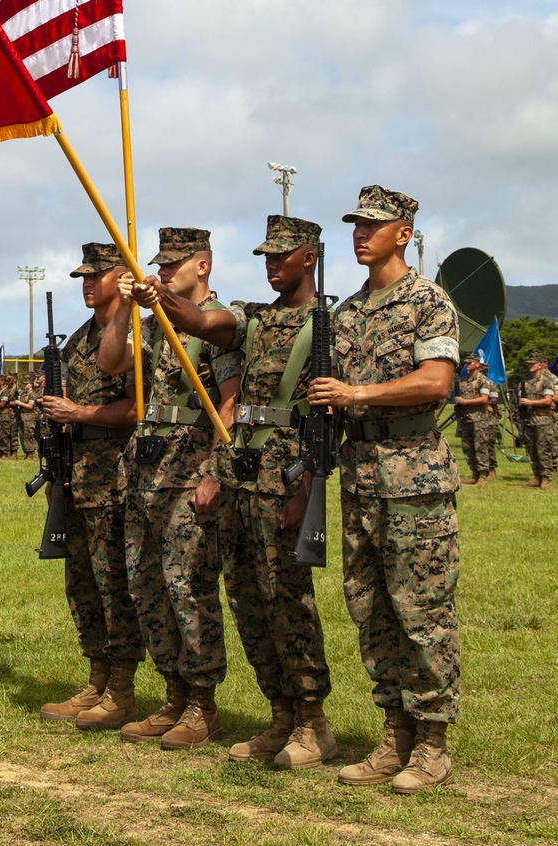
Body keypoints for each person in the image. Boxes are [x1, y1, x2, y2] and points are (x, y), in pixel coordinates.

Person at [140, 215, 337, 767]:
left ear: (310, 256)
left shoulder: (328, 325)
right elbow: (201, 320)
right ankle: (280, 716)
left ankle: (311, 721)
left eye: (282, 255)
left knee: (288, 601)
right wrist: (159, 295)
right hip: (240, 477)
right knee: (248, 601)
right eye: (265, 256)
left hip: (286, 480)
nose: (271, 264)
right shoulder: (253, 318)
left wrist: (308, 488)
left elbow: (327, 420)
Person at [308, 185, 460, 793]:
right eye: (355, 223)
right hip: (361, 476)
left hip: (414, 476)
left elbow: (436, 381)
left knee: (422, 610)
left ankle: (432, 745)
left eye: (374, 224)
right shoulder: (343, 314)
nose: (360, 232)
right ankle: (394, 733)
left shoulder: (429, 300)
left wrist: (357, 395)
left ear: (404, 233)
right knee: (369, 609)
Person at [99, 227, 240, 751]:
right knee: (147, 586)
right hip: (146, 473)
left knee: (188, 589)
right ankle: (173, 694)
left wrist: (213, 471)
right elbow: (111, 362)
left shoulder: (217, 326)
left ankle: (203, 704)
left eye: (174, 264)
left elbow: (230, 402)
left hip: (188, 475)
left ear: (201, 266)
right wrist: (123, 311)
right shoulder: (157, 324)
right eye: (160, 264)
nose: (162, 271)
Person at [37, 243, 144, 731]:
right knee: (81, 583)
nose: (87, 282)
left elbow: (135, 407)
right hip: (75, 474)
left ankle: (122, 687)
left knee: (113, 582)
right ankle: (97, 677)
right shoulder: (80, 338)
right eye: (83, 275)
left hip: (114, 476)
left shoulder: (131, 333)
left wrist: (77, 413)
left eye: (97, 274)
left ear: (120, 276)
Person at [518, 350, 558, 489]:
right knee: (531, 450)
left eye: (533, 363)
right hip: (529, 420)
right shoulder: (525, 382)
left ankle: (546, 477)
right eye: (529, 363)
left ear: (540, 365)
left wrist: (529, 402)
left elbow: (548, 400)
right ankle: (536, 476)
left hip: (543, 420)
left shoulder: (547, 382)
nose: (530, 366)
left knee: (544, 449)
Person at [456, 355, 498, 486]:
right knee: (468, 447)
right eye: (466, 362)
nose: (467, 364)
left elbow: (484, 399)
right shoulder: (462, 381)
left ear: (477, 364)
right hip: (466, 418)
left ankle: (483, 476)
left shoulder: (482, 381)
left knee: (480, 446)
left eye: (470, 362)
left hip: (479, 418)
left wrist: (465, 401)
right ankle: (474, 473)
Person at [0, 375, 19, 458]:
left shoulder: (5, 391)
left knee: (4, 435)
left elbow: (3, 404)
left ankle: (6, 452)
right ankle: (1, 452)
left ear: (2, 382)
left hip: (4, 416)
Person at [17, 376, 40, 460]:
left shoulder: (32, 394)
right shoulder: (24, 394)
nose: (25, 385)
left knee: (29, 434)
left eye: (27, 384)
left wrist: (20, 403)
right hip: (23, 417)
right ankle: (27, 452)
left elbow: (30, 406)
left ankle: (32, 453)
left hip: (30, 417)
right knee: (23, 435)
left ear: (31, 385)